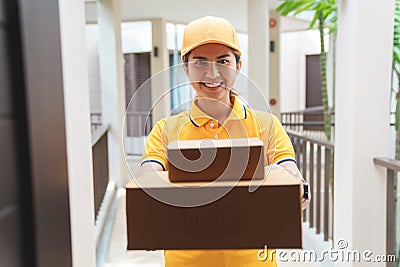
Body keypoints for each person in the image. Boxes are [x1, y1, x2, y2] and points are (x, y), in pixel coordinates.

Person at [140, 16, 309, 267]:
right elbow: (148, 183)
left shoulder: (266, 125)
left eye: (223, 61)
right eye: (200, 62)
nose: (212, 73)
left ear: (238, 66)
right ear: (185, 68)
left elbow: (290, 176)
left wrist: (295, 188)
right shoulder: (166, 130)